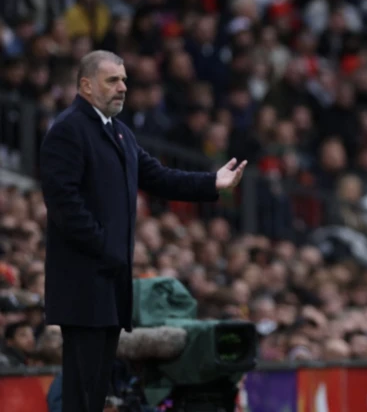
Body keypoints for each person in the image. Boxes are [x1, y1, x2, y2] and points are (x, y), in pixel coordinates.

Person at [39, 50, 247, 412]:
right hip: (82, 285)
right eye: (112, 80)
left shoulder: (119, 132)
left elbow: (158, 177)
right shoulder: (68, 129)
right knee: (82, 393)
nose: (122, 88)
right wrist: (107, 248)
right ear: (85, 85)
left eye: (124, 80)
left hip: (109, 283)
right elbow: (64, 205)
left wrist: (213, 181)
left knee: (96, 391)